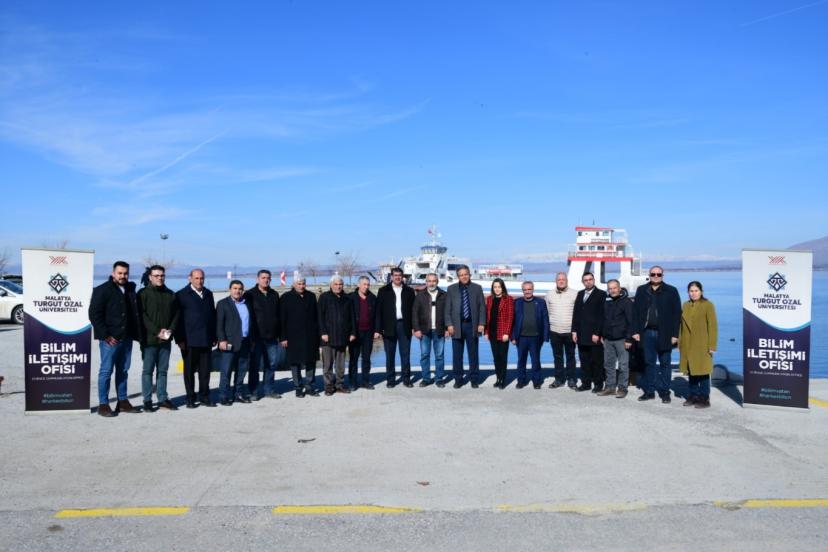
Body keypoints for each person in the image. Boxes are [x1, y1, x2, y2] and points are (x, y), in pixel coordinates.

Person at [88, 261, 143, 417]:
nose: (122, 276)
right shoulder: (102, 290)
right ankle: (103, 404)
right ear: (113, 273)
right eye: (120, 273)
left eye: (125, 273)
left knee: (123, 371)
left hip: (127, 338)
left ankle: (123, 401)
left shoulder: (130, 289)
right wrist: (105, 335)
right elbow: (94, 314)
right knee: (106, 371)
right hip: (110, 340)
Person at [632, 266, 682, 404]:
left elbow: (677, 314)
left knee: (665, 363)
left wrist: (675, 335)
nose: (655, 276)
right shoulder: (642, 290)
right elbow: (635, 312)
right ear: (649, 275)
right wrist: (635, 331)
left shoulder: (671, 291)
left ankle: (665, 392)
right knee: (649, 363)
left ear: (662, 275)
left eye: (658, 274)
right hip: (646, 332)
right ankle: (649, 391)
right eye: (653, 274)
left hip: (665, 333)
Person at [137, 265, 179, 412]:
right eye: (156, 275)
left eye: (162, 275)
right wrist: (157, 331)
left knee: (162, 371)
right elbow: (142, 315)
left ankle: (162, 399)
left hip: (165, 340)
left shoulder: (170, 294)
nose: (160, 278)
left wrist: (170, 330)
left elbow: (176, 314)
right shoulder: (143, 294)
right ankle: (147, 400)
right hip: (149, 340)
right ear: (150, 277)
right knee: (147, 371)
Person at [175, 269, 217, 408]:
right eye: (197, 278)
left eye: (202, 278)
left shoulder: (208, 294)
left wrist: (214, 336)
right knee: (189, 371)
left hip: (206, 339)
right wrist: (179, 339)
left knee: (205, 371)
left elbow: (212, 316)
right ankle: (190, 398)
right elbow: (177, 319)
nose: (199, 281)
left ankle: (204, 396)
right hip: (189, 340)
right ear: (190, 278)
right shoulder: (181, 295)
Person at [244, 269, 283, 400]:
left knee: (271, 365)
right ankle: (253, 391)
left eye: (268, 278)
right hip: (256, 337)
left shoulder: (274, 294)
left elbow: (278, 315)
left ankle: (269, 389)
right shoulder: (249, 294)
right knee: (254, 365)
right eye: (263, 278)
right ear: (257, 279)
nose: (266, 280)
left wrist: (280, 334)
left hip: (272, 337)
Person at [444, 265, 486, 388]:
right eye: (461, 275)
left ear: (469, 274)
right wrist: (449, 324)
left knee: (473, 354)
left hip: (472, 325)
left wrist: (481, 323)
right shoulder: (451, 289)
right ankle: (458, 379)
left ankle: (474, 379)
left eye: (466, 274)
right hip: (456, 326)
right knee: (457, 355)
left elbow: (482, 307)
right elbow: (447, 309)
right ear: (458, 276)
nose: (464, 276)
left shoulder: (477, 288)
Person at [679, 281, 718, 409]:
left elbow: (713, 326)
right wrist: (680, 343)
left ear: (701, 291)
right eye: (691, 291)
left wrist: (712, 345)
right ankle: (693, 395)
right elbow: (681, 326)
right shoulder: (685, 305)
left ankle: (705, 398)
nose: (694, 293)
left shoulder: (708, 305)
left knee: (703, 372)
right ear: (688, 292)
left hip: (702, 344)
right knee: (691, 371)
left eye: (696, 290)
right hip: (687, 343)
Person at [280, 275, 320, 397]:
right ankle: (298, 387)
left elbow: (316, 317)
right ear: (294, 284)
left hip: (310, 335)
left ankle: (309, 386)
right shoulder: (286, 297)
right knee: (295, 362)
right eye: (299, 284)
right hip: (293, 336)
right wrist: (283, 337)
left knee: (311, 361)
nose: (301, 286)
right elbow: (282, 319)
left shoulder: (311, 296)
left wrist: (318, 334)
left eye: (303, 283)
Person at [374, 267, 415, 388]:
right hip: (389, 326)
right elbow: (378, 311)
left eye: (399, 275)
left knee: (405, 354)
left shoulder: (409, 291)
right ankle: (390, 380)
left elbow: (413, 310)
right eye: (395, 275)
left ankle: (406, 379)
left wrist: (414, 327)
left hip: (404, 325)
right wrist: (378, 329)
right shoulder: (383, 291)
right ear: (391, 276)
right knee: (390, 355)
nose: (397, 277)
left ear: (402, 277)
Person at [216, 280, 252, 405]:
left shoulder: (246, 303)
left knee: (242, 370)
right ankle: (223, 396)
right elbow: (219, 324)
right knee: (226, 371)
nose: (238, 291)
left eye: (240, 289)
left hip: (245, 341)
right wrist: (221, 340)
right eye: (235, 288)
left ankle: (238, 394)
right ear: (230, 289)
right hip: (229, 342)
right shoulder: (223, 304)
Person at [318, 275, 355, 395]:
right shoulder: (324, 297)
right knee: (328, 364)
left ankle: (339, 385)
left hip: (343, 335)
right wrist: (323, 332)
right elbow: (320, 317)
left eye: (340, 284)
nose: (338, 286)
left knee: (340, 364)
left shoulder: (347, 298)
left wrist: (352, 332)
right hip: (328, 336)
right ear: (331, 285)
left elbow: (352, 317)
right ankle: (329, 386)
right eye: (336, 284)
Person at [572, 272, 607, 393]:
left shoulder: (601, 294)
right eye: (585, 280)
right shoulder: (580, 294)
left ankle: (598, 384)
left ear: (594, 280)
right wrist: (574, 331)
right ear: (583, 282)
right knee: (584, 360)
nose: (588, 282)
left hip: (594, 334)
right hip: (581, 334)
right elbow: (576, 313)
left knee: (597, 361)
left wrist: (597, 333)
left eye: (590, 279)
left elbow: (601, 315)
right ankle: (586, 383)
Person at [511, 281, 549, 389]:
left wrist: (545, 336)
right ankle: (521, 381)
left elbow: (545, 319)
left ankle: (536, 381)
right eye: (525, 290)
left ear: (533, 289)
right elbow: (512, 321)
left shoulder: (540, 302)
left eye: (529, 289)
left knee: (535, 360)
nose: (527, 291)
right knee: (521, 360)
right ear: (522, 291)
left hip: (536, 337)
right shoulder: (517, 302)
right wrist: (512, 337)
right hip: (521, 337)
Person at [598, 279, 633, 398]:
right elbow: (603, 319)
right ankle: (610, 387)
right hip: (608, 339)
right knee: (608, 364)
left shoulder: (626, 302)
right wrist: (602, 334)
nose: (612, 290)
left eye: (614, 288)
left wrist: (629, 339)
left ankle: (622, 388)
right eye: (610, 288)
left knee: (623, 365)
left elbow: (631, 322)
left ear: (619, 288)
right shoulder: (607, 301)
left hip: (622, 339)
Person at [412, 273, 448, 387]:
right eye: (429, 281)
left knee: (439, 356)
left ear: (437, 282)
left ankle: (439, 379)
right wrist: (416, 329)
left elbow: (448, 313)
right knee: (424, 355)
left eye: (433, 281)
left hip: (439, 330)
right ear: (426, 282)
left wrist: (447, 328)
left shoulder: (444, 295)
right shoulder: (420, 295)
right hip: (424, 330)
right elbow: (414, 313)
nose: (431, 283)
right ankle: (426, 378)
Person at [545, 272, 578, 389]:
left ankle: (571, 379)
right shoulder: (549, 294)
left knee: (570, 356)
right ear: (556, 281)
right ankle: (559, 379)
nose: (561, 281)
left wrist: (575, 331)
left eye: (563, 279)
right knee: (557, 357)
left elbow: (577, 314)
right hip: (554, 331)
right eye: (559, 279)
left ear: (567, 280)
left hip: (570, 332)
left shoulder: (575, 294)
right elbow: (547, 312)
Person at [348, 276, 377, 390]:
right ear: (358, 285)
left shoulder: (372, 298)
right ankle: (353, 382)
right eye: (364, 284)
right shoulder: (351, 297)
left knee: (366, 358)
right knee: (353, 358)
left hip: (368, 332)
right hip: (355, 333)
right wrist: (350, 332)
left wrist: (377, 330)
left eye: (368, 284)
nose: (366, 287)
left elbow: (377, 315)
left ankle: (366, 381)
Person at [485, 278, 514, 389]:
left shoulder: (508, 299)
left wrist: (507, 332)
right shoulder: (489, 299)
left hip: (503, 333)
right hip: (492, 332)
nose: (497, 289)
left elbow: (510, 317)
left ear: (503, 288)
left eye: (499, 287)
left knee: (502, 357)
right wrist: (486, 332)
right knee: (496, 357)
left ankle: (502, 379)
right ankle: (498, 378)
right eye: (495, 287)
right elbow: (488, 317)